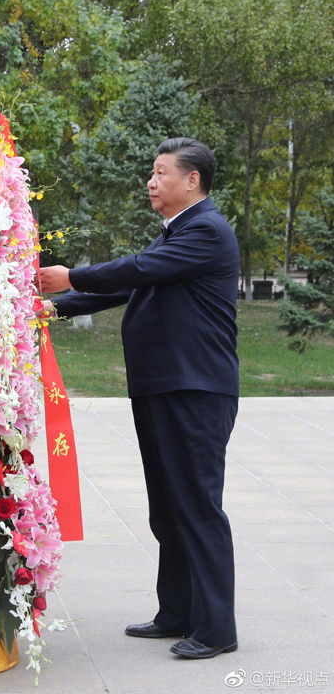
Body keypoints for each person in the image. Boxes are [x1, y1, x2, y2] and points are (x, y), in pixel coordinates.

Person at [38, 137, 239, 660]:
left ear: (192, 180)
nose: (151, 182)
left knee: (197, 507)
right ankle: (177, 612)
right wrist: (55, 307)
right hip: (162, 386)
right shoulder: (176, 233)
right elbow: (127, 287)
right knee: (168, 508)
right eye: (151, 173)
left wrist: (70, 276)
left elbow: (138, 271)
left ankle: (217, 628)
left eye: (160, 172)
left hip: (195, 389)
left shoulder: (206, 230)